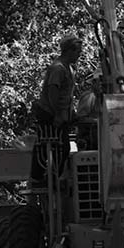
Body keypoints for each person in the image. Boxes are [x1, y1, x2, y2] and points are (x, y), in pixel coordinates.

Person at [29, 33, 83, 187]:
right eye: (77, 51)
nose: (79, 55)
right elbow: (53, 91)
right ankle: (38, 178)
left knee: (62, 147)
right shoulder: (58, 68)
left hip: (62, 115)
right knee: (47, 146)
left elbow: (67, 95)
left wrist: (71, 114)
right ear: (69, 51)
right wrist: (57, 114)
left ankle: (52, 177)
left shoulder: (69, 69)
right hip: (50, 115)